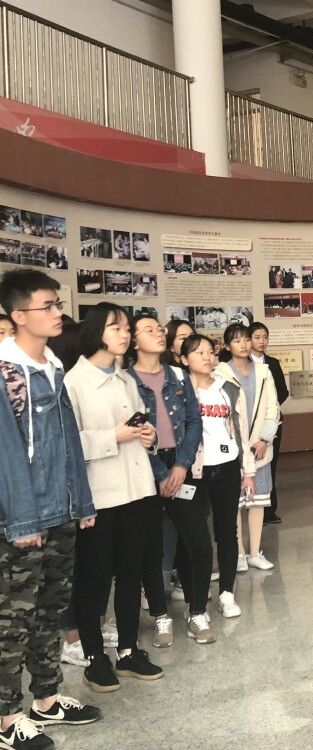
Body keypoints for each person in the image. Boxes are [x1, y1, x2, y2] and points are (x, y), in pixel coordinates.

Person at [0, 269, 102, 747]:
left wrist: (81, 500)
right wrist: (22, 520)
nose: (59, 313)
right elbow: (6, 454)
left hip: (60, 510)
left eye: (58, 303)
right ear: (19, 315)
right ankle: (6, 719)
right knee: (13, 620)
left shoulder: (53, 367)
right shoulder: (6, 372)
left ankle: (46, 699)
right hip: (22, 518)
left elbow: (67, 443)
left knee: (50, 610)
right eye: (48, 306)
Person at [64, 304, 163, 692]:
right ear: (95, 332)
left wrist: (148, 436)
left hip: (137, 489)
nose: (125, 334)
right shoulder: (75, 381)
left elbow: (138, 427)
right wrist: (113, 437)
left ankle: (128, 650)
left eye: (126, 328)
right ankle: (94, 657)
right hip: (100, 495)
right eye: (116, 327)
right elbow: (69, 444)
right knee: (94, 578)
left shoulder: (125, 379)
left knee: (130, 573)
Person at [126, 315, 209, 648]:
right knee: (151, 547)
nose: (159, 334)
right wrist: (161, 473)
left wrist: (181, 466)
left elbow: (193, 421)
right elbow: (132, 433)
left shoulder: (177, 375)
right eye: (149, 330)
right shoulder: (126, 380)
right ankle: (161, 616)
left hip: (180, 463)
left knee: (199, 543)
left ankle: (197, 612)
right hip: (143, 466)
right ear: (134, 341)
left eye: (160, 329)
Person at [182, 334, 256, 625]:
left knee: (227, 532)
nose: (207, 357)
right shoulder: (179, 390)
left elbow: (241, 431)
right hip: (193, 471)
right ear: (184, 359)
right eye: (198, 352)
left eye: (210, 352)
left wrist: (248, 471)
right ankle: (194, 598)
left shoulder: (228, 389)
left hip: (226, 467)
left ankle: (227, 592)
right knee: (195, 537)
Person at [215, 324, 280, 572]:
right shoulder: (220, 372)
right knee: (235, 503)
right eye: (236, 340)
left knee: (257, 502)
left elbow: (273, 407)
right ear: (227, 345)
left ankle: (255, 553)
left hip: (259, 448)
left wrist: (264, 439)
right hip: (233, 449)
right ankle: (239, 554)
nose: (243, 344)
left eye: (245, 339)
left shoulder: (264, 371)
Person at [247, 323, 288, 525]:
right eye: (257, 337)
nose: (262, 341)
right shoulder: (240, 362)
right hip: (247, 424)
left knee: (269, 465)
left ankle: (269, 510)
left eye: (265, 337)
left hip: (271, 422)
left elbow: (283, 392)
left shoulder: (272, 363)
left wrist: (268, 409)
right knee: (249, 466)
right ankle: (250, 506)